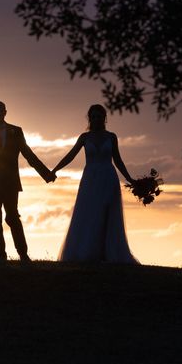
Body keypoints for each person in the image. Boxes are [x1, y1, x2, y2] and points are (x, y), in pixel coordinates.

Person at [0, 101, 56, 263]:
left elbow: (29, 155)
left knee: (13, 217)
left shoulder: (16, 131)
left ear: (5, 112)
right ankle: (0, 256)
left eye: (0, 111)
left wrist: (46, 174)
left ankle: (23, 254)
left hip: (10, 183)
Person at [51, 104, 139, 264]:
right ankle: (87, 251)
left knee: (107, 214)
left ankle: (107, 253)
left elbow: (118, 160)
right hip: (90, 180)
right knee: (89, 214)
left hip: (108, 178)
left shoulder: (111, 137)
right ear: (89, 118)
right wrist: (54, 170)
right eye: (93, 117)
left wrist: (130, 179)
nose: (96, 119)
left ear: (104, 118)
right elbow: (70, 155)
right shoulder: (84, 138)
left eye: (99, 116)